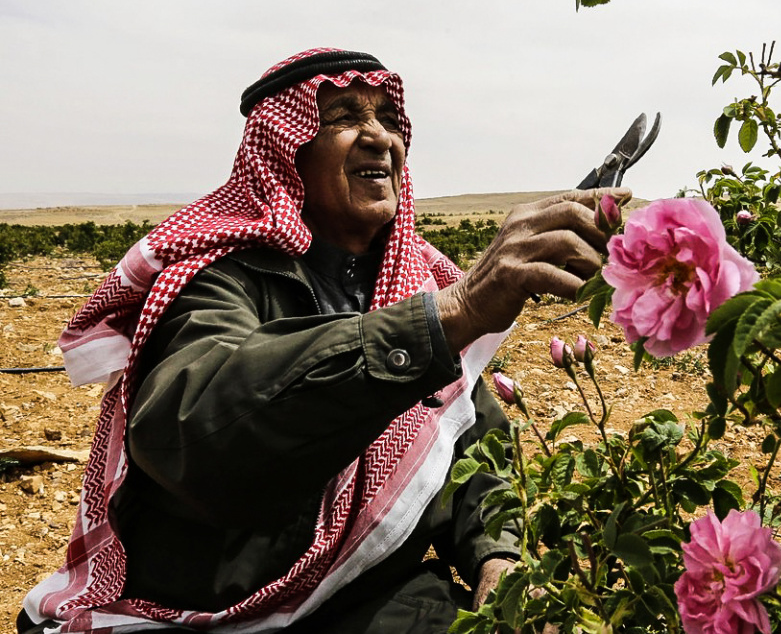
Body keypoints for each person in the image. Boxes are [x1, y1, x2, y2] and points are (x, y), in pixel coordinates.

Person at [19, 48, 628, 633]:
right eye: (342, 117)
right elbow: (194, 431)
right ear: (285, 150)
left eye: (389, 120)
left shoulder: (416, 278)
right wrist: (451, 314)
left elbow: (470, 446)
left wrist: (498, 558)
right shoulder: (219, 279)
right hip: (216, 614)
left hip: (369, 594)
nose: (380, 138)